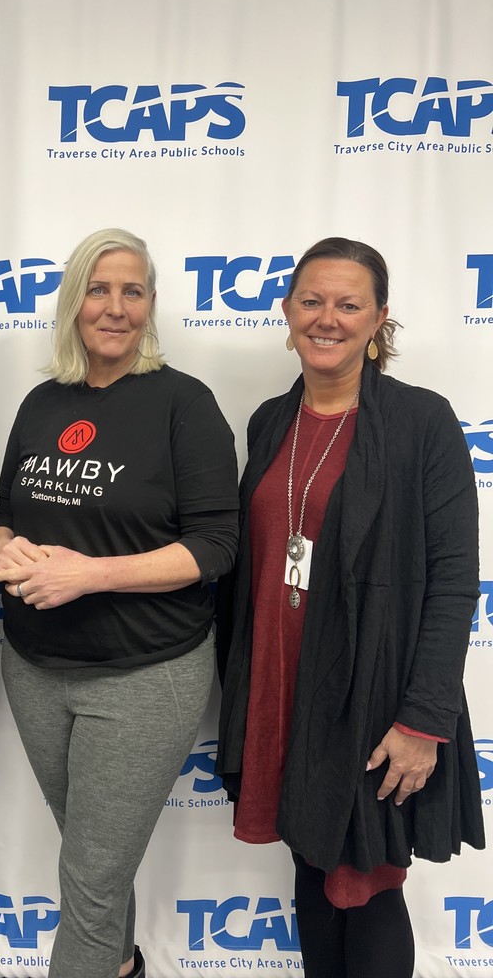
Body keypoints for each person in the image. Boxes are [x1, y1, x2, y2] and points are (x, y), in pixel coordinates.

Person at [216, 237, 484, 978]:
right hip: (284, 684)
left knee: (364, 881)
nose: (326, 318)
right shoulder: (270, 422)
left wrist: (423, 719)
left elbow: (455, 578)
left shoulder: (420, 422)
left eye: (348, 304)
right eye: (312, 301)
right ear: (287, 310)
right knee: (310, 866)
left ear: (379, 319)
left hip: (376, 695)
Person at [0, 228, 240, 978]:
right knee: (91, 858)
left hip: (144, 676)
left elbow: (214, 547)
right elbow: (4, 511)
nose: (115, 306)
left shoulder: (182, 403)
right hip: (35, 669)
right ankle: (122, 965)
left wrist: (90, 575)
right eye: (99, 289)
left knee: (91, 883)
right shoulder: (42, 402)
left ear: (152, 305)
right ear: (74, 303)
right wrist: (3, 548)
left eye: (133, 291)